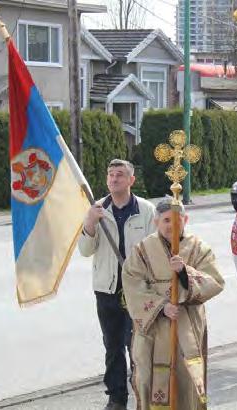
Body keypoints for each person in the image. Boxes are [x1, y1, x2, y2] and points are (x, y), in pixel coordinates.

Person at [121, 198, 224, 409]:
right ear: (156, 222)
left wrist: (185, 272)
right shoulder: (142, 250)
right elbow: (131, 283)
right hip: (154, 329)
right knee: (148, 378)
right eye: (166, 220)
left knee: (186, 380)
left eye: (177, 220)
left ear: (185, 220)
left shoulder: (198, 248)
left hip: (186, 325)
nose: (171, 225)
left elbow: (215, 282)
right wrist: (161, 306)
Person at [78, 159, 156, 410]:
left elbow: (155, 249)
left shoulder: (145, 210)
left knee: (137, 345)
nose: (113, 179)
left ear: (131, 180)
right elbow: (85, 250)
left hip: (137, 290)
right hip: (107, 289)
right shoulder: (98, 209)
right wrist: (90, 222)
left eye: (120, 175)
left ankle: (143, 393)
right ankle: (116, 398)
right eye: (110, 175)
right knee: (112, 346)